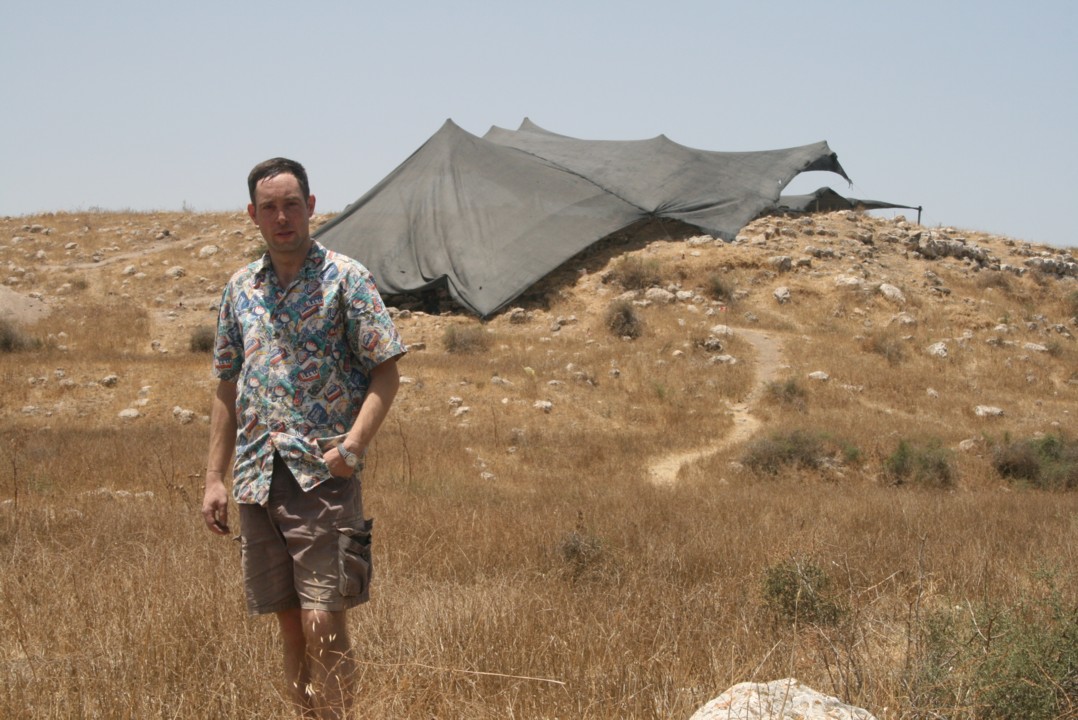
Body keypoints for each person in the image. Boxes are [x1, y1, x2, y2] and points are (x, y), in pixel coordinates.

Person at [202, 157, 406, 719]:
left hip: (323, 476)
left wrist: (351, 449)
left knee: (324, 619)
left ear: (311, 206)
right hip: (257, 479)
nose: (282, 217)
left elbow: (386, 372)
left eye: (291, 204)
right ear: (253, 214)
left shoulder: (346, 278)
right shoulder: (241, 288)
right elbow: (226, 384)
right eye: (269, 207)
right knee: (290, 623)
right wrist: (214, 477)